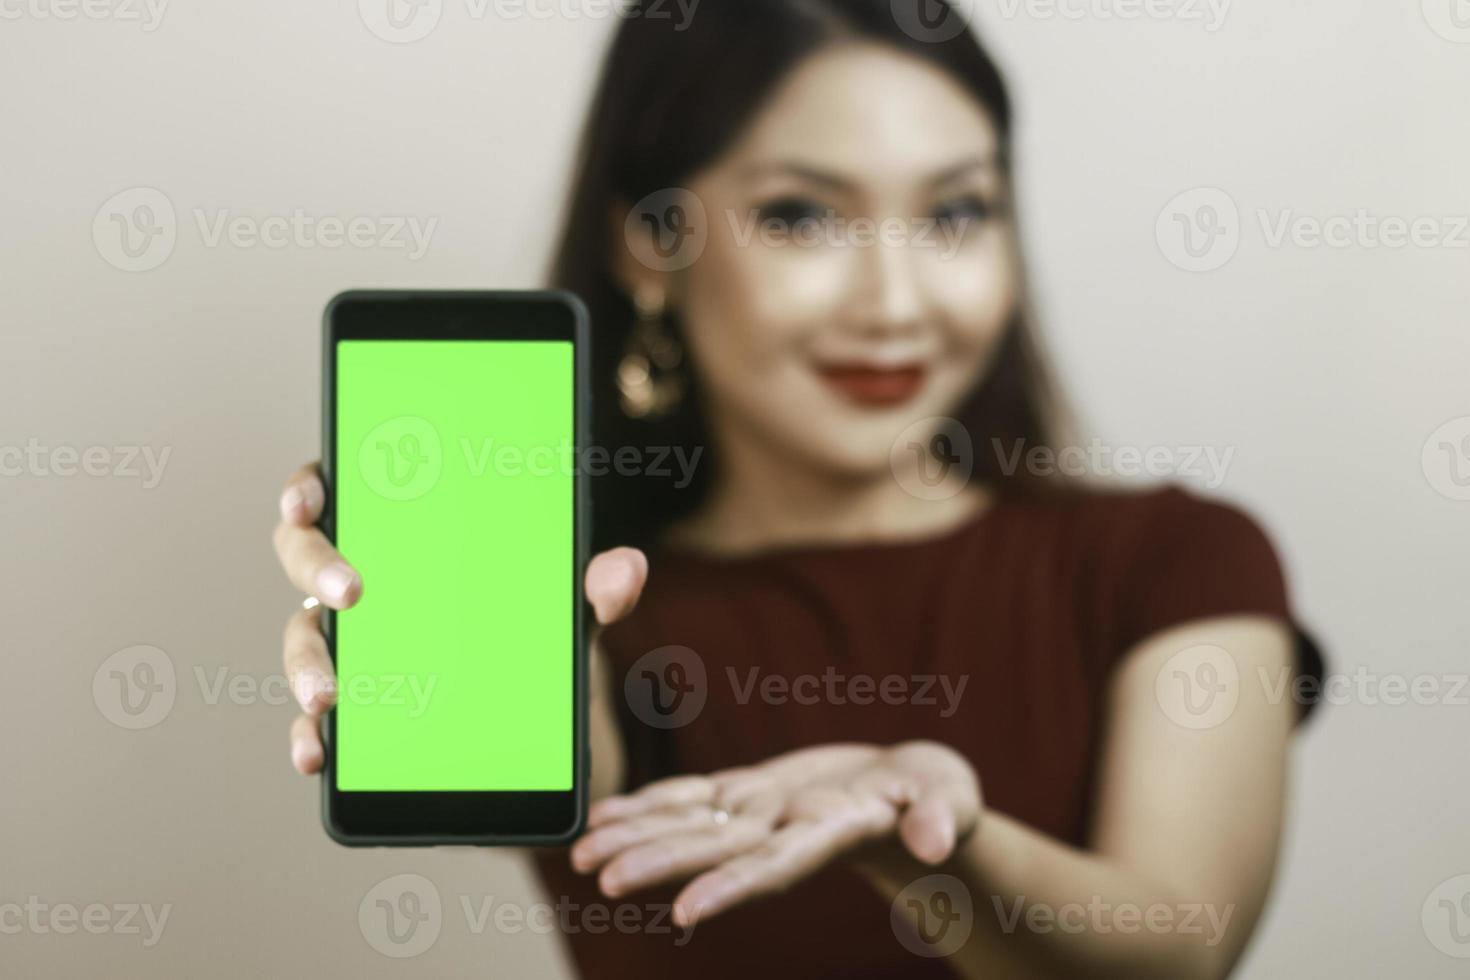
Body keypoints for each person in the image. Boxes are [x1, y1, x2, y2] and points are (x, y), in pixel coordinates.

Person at [272, 2, 1321, 976]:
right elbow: (582, 768)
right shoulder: (599, 617)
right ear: (650, 248)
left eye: (956, 211)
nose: (895, 299)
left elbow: (1179, 946)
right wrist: (458, 662)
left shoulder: (1177, 561)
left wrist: (940, 844)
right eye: (801, 217)